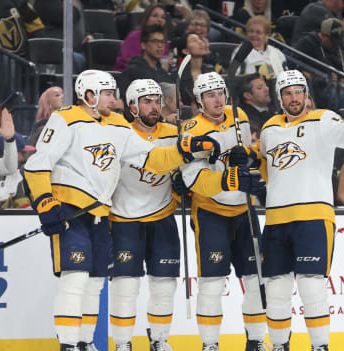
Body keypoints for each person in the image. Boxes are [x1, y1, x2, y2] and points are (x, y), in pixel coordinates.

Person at [23, 69, 220, 351]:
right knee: (75, 277)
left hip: (101, 212)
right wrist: (45, 200)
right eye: (107, 94)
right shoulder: (65, 118)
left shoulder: (117, 124)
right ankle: (68, 344)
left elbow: (150, 157)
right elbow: (38, 164)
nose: (113, 100)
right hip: (71, 208)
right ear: (89, 96)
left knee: (95, 281)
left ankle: (86, 342)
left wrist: (187, 149)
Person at [258, 70, 344, 351]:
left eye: (299, 91)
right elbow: (265, 170)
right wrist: (248, 163)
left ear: (307, 94)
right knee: (276, 289)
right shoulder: (268, 129)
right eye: (288, 93)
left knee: (312, 287)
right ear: (280, 98)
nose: (294, 98)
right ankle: (278, 346)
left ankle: (320, 347)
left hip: (313, 218)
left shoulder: (323, 120)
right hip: (276, 220)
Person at [178, 72, 266, 351]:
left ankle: (255, 341)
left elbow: (250, 154)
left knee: (255, 280)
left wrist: (248, 156)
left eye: (220, 93)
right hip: (210, 212)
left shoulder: (238, 115)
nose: (217, 99)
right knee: (212, 282)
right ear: (199, 101)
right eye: (210, 95)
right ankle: (210, 345)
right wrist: (228, 178)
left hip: (245, 211)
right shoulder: (191, 129)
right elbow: (193, 179)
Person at [109, 79, 184, 351]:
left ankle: (159, 340)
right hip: (123, 221)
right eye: (146, 101)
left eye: (157, 100)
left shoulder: (174, 133)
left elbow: (185, 168)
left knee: (164, 284)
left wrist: (182, 183)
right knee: (125, 286)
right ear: (132, 106)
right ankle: (123, 343)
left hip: (162, 218)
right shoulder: (120, 134)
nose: (154, 106)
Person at [118, 25, 173, 99]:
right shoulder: (132, 71)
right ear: (143, 45)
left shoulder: (164, 74)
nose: (160, 45)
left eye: (162, 42)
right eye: (155, 41)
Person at [231, 15, 287, 80]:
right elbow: (235, 78)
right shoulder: (240, 51)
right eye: (251, 31)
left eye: (258, 32)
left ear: (267, 35)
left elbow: (284, 78)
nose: (254, 35)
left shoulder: (277, 53)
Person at [114, 5, 168, 71]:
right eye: (155, 16)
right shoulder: (134, 36)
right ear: (146, 18)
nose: (160, 20)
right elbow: (130, 65)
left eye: (163, 17)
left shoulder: (164, 39)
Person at [173, 32, 213, 106]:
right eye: (194, 40)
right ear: (186, 51)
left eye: (200, 40)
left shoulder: (210, 71)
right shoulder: (178, 76)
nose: (200, 42)